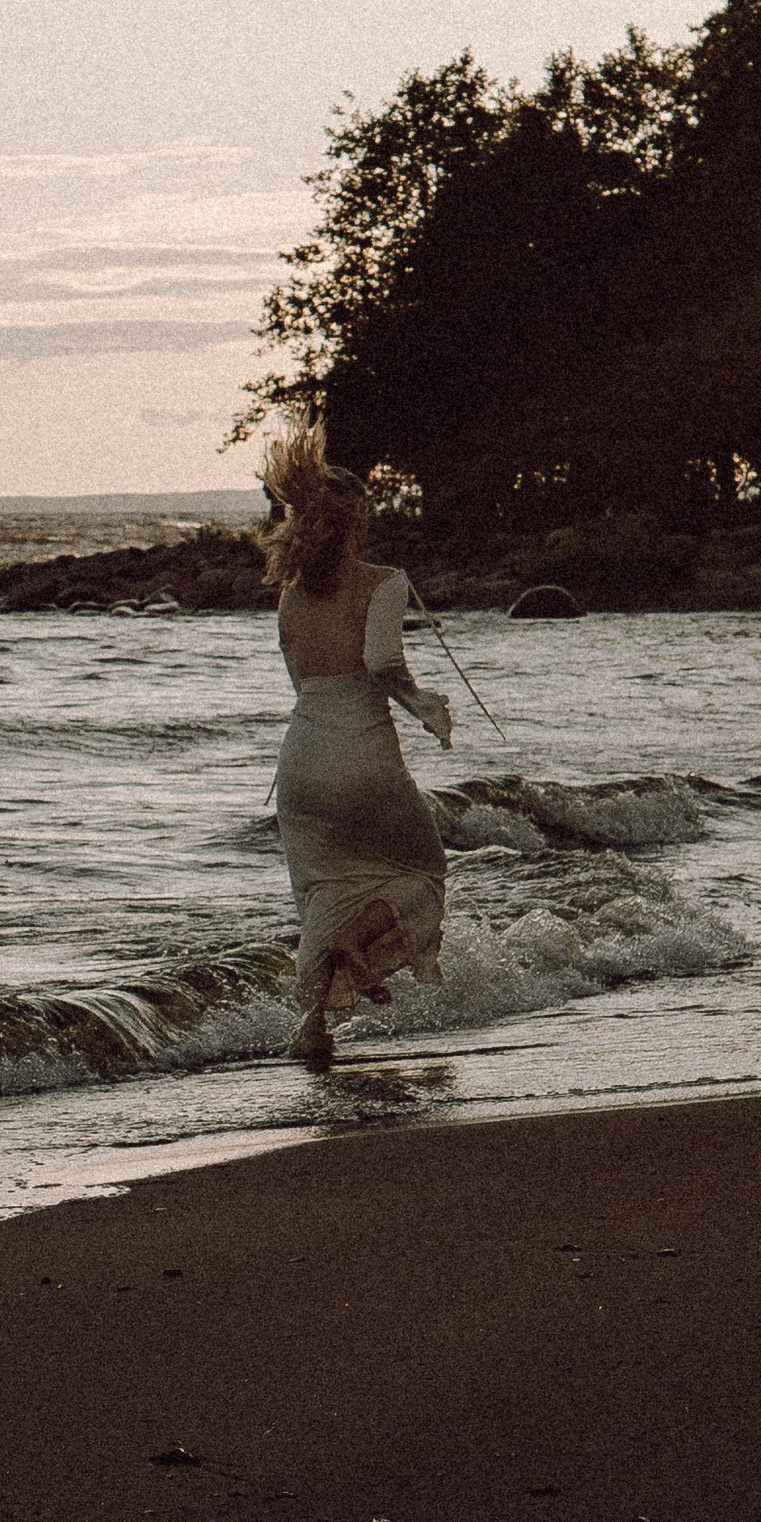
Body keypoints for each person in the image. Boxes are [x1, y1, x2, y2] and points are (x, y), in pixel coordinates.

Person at [259, 418, 453, 1070]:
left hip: (302, 761)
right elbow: (379, 660)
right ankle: (361, 952)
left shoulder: (288, 597)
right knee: (424, 873)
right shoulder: (385, 581)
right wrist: (425, 706)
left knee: (322, 893)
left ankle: (315, 1028)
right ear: (357, 524)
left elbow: (303, 681)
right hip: (363, 751)